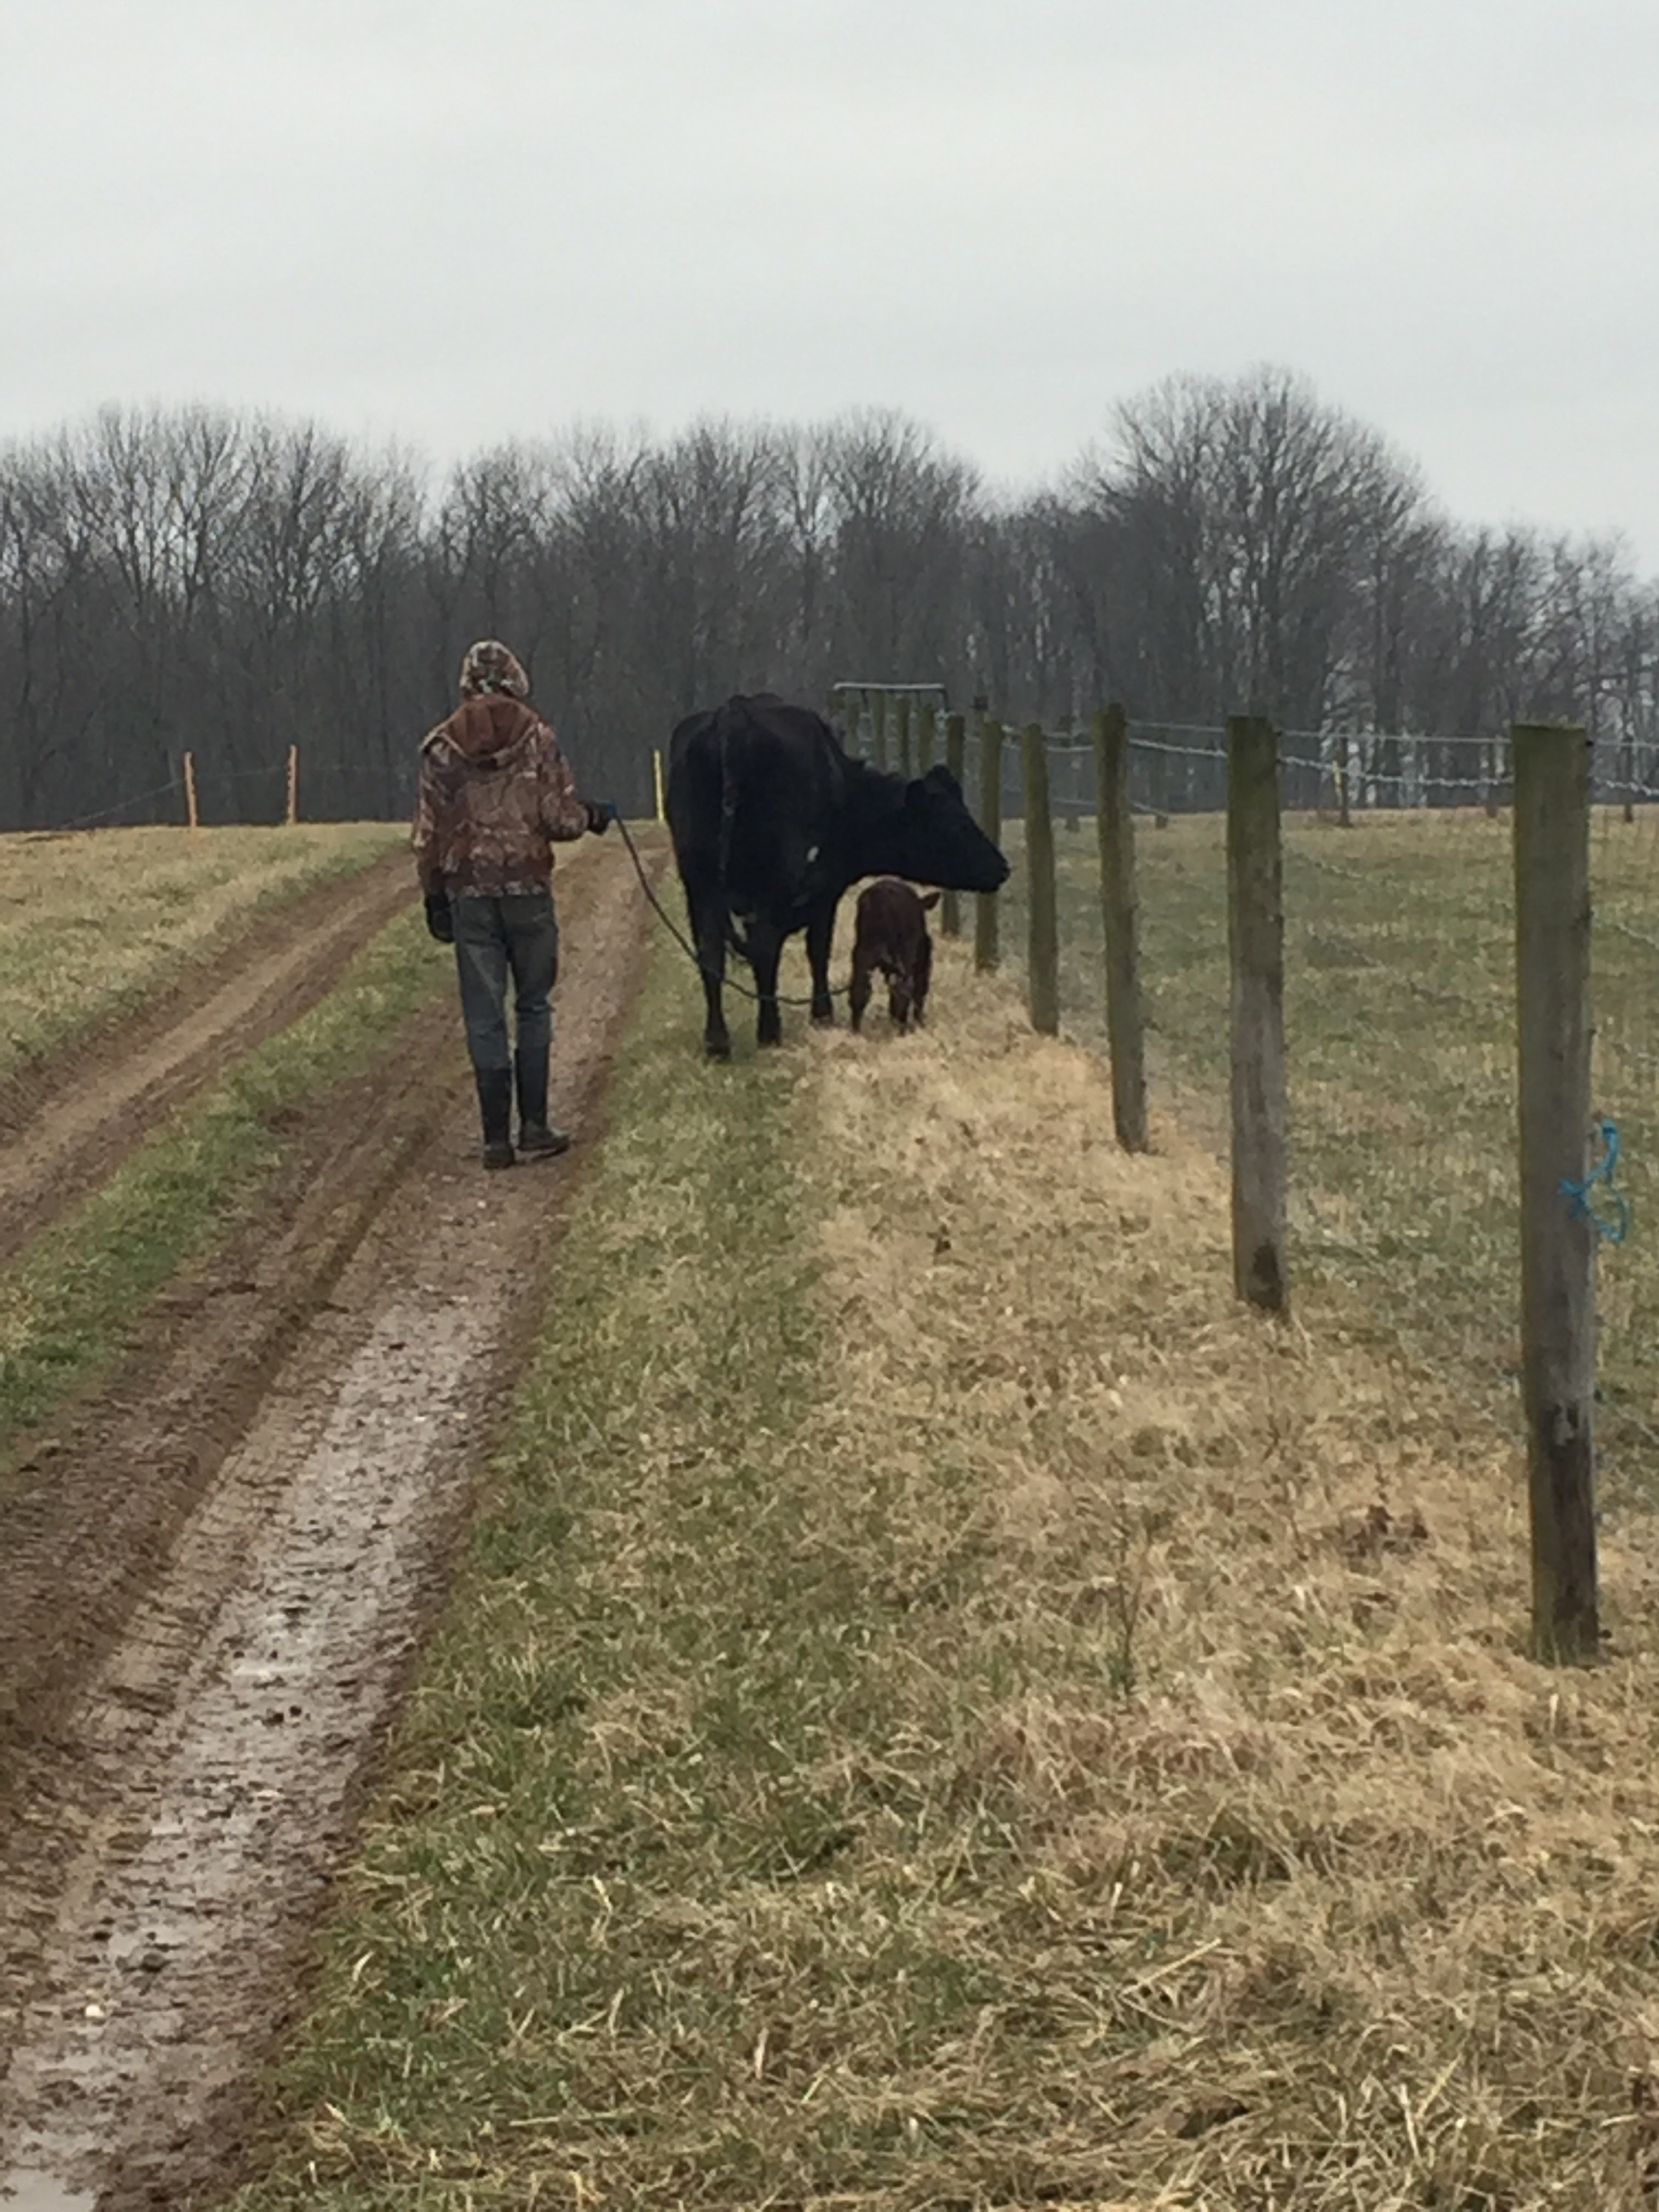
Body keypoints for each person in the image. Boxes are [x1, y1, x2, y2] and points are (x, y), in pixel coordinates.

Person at [412, 639, 611, 1169]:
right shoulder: (538, 736)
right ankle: (536, 1127)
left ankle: (495, 1140)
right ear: (514, 679)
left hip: (469, 897)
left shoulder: (440, 748)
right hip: (528, 892)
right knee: (533, 1005)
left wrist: (434, 896)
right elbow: (559, 819)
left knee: (484, 1015)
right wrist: (592, 816)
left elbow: (426, 837)